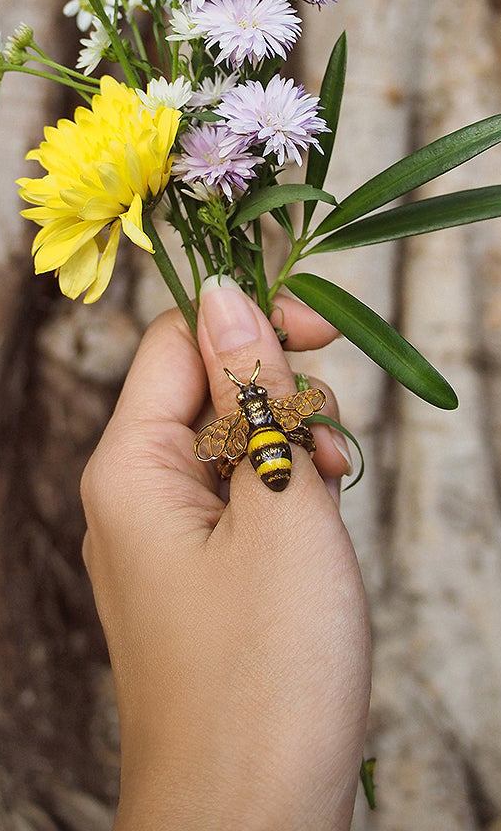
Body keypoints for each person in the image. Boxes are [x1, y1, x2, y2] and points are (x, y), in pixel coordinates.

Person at [81, 274, 372, 831]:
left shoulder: (233, 429)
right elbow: (299, 414)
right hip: (275, 450)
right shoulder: (287, 410)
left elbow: (213, 445)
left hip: (260, 453)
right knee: (317, 438)